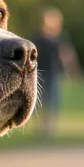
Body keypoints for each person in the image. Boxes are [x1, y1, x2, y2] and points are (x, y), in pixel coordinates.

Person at [31, 8, 80, 138]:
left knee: (52, 102)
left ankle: (50, 128)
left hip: (53, 74)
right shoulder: (37, 38)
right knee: (39, 102)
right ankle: (40, 128)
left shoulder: (60, 39)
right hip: (38, 74)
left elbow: (67, 55)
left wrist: (72, 71)